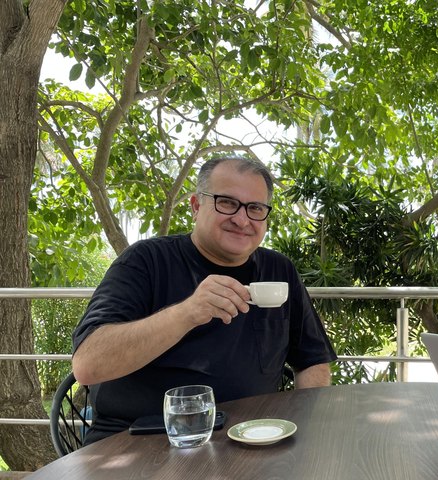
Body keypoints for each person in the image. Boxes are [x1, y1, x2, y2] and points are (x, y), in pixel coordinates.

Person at [72, 156, 337, 443]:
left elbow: (312, 361)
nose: (241, 219)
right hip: (140, 439)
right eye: (226, 202)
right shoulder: (146, 261)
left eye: (255, 208)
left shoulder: (278, 270)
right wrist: (187, 312)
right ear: (196, 206)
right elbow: (89, 365)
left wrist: (306, 425)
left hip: (251, 440)